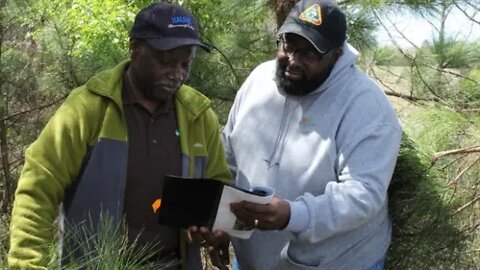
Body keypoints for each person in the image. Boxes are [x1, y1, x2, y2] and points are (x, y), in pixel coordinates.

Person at [8, 2, 231, 270]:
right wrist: (28, 263)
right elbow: (38, 188)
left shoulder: (198, 116)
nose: (177, 75)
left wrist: (211, 225)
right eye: (166, 61)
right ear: (135, 47)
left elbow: (219, 191)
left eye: (186, 64)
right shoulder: (88, 108)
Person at [222, 0, 403, 269]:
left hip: (336, 262)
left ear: (337, 54)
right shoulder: (258, 81)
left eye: (310, 54)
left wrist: (294, 215)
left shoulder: (365, 104)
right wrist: (222, 222)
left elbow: (363, 193)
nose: (293, 61)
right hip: (252, 259)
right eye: (289, 46)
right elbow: (229, 156)